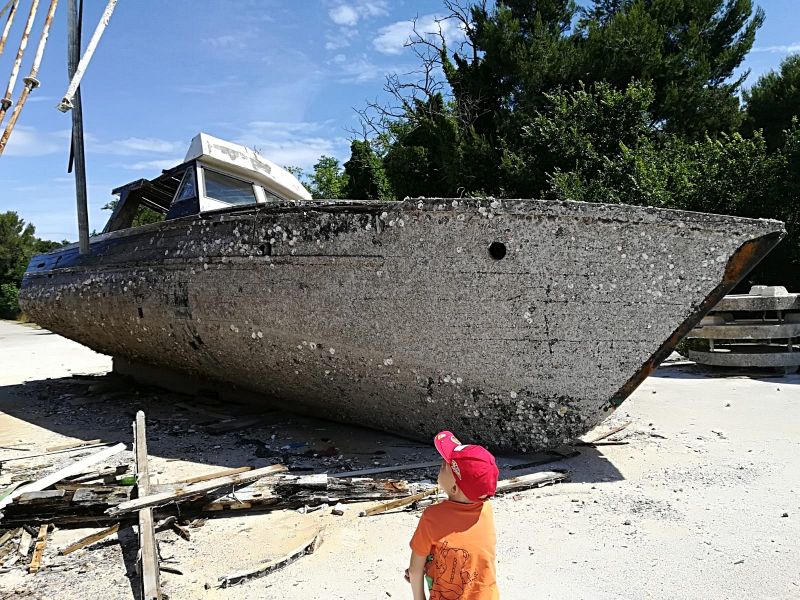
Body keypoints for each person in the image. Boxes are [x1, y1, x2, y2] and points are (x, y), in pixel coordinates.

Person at [405, 431, 500, 600]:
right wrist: (431, 564)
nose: (441, 463)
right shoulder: (486, 510)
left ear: (454, 489)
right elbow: (465, 550)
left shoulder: (432, 517)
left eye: (444, 465)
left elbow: (414, 571)